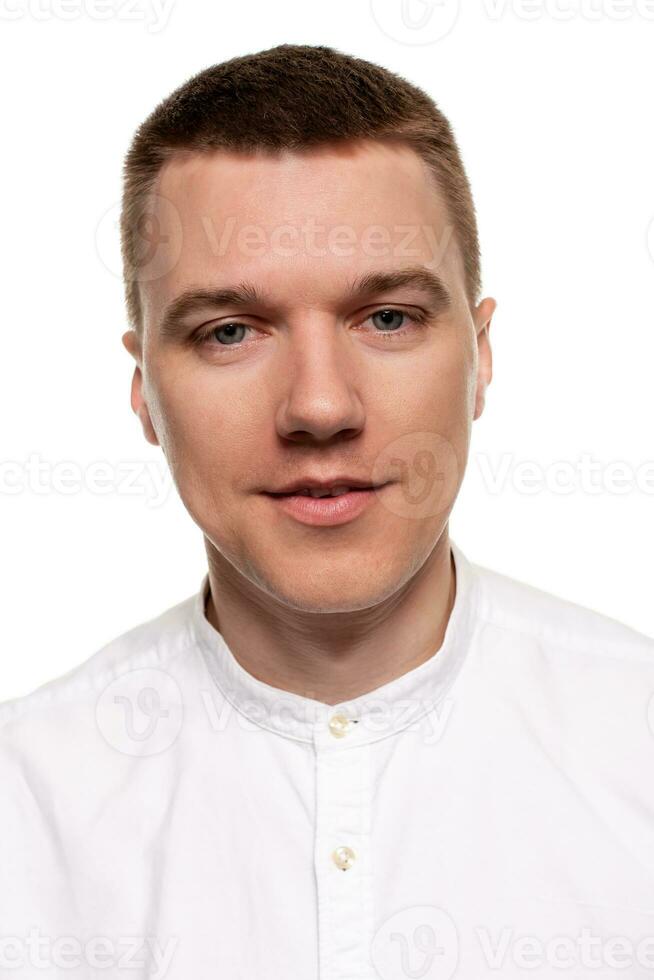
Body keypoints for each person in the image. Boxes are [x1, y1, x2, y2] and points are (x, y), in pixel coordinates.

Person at [2, 43, 653, 980]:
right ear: (143, 386)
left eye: (386, 317)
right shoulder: (20, 809)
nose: (319, 407)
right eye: (230, 331)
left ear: (483, 356)